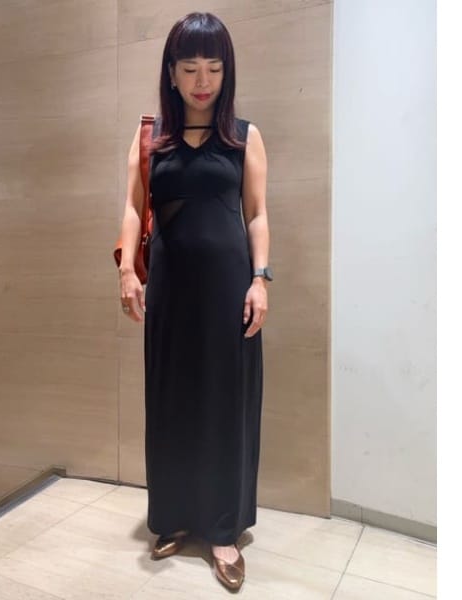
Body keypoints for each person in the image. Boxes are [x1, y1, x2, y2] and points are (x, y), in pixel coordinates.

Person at [117, 12, 271, 591]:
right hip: (171, 292)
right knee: (172, 402)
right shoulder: (150, 138)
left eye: (213, 67)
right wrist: (128, 271)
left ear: (227, 73)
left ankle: (223, 530)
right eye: (189, 67)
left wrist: (260, 280)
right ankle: (176, 515)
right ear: (171, 72)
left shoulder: (244, 137)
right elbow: (134, 207)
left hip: (229, 291)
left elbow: (256, 214)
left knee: (226, 406)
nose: (202, 80)